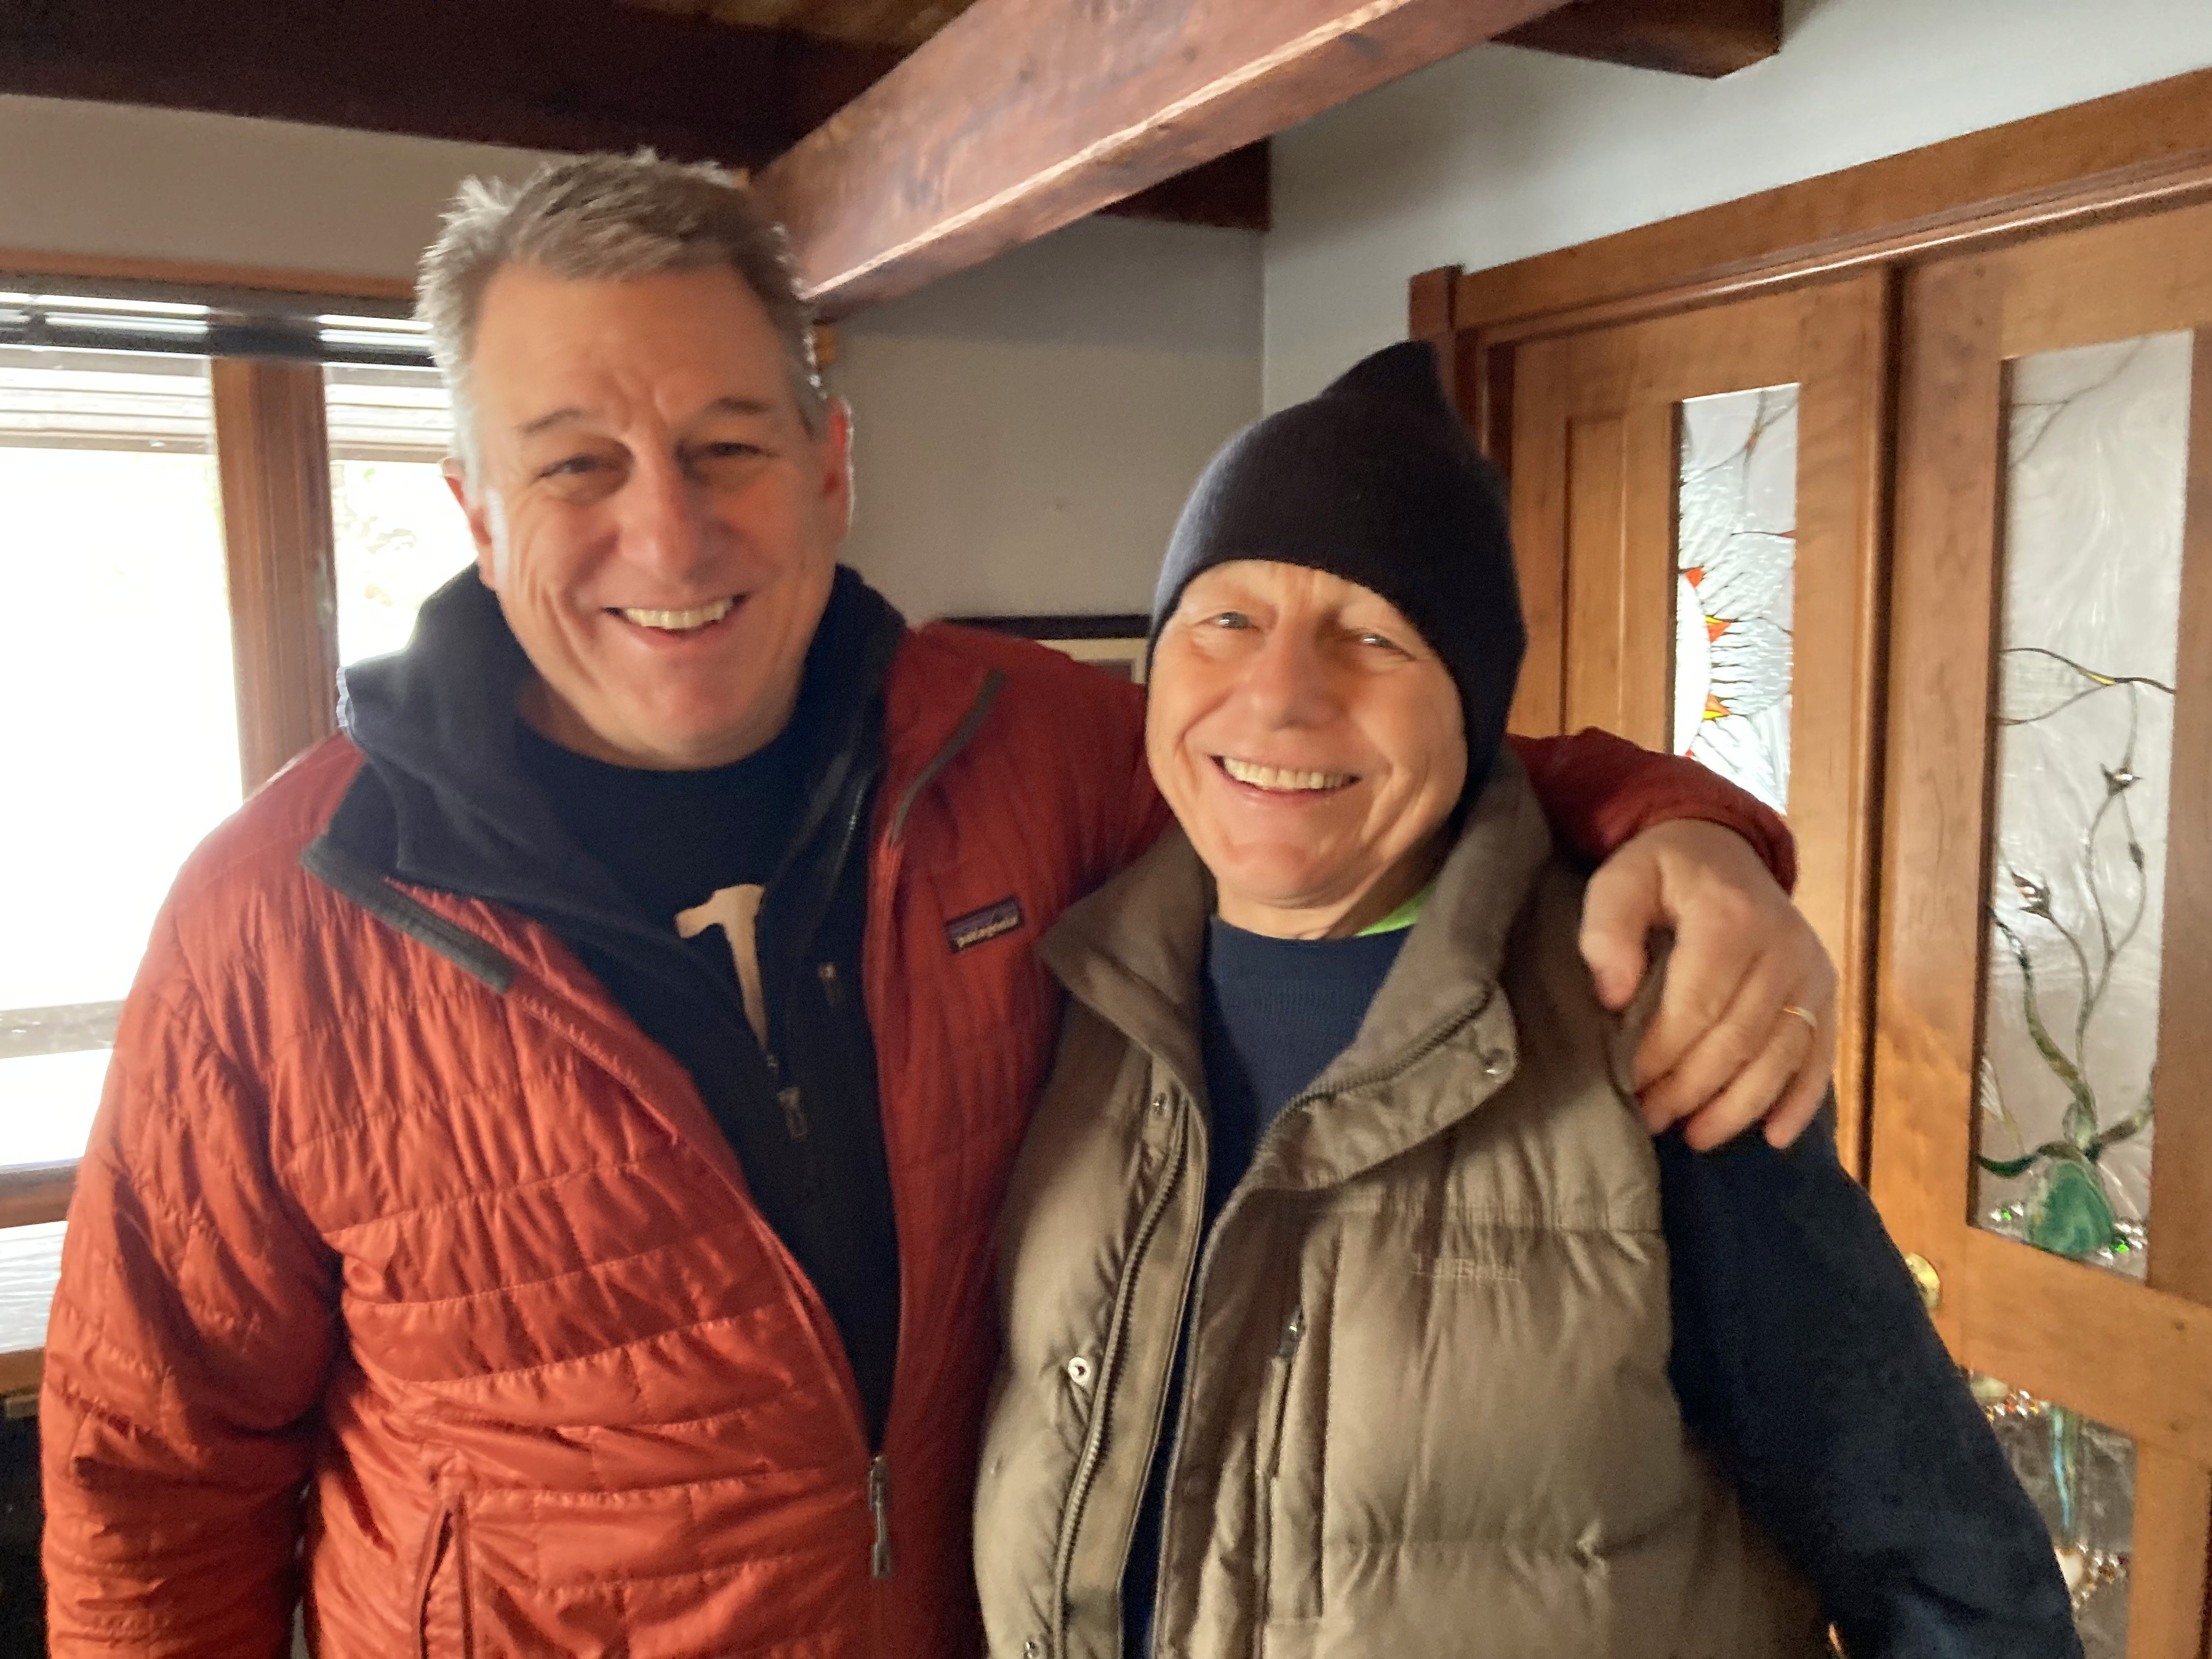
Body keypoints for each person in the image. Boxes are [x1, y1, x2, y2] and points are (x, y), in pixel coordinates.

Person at [42, 157, 1833, 1658]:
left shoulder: (1029, 753)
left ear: (832, 463)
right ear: (474, 509)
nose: (669, 536)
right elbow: (150, 1487)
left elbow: (1356, 765)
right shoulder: (274, 915)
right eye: (577, 462)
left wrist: (1686, 830)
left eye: (728, 447)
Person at [974, 342, 2080, 1659]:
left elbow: (1950, 1574)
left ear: (1474, 704)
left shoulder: (1657, 1031)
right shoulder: (1068, 985)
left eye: (1373, 637)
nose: (1280, 695)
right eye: (1226, 621)